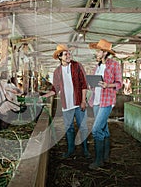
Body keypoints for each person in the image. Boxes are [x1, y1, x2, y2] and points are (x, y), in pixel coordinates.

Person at [41, 44, 90, 159]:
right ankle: (70, 150)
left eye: (69, 53)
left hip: (78, 102)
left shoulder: (77, 66)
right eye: (65, 54)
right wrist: (44, 96)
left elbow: (84, 84)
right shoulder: (57, 72)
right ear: (60, 57)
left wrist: (83, 100)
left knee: (83, 127)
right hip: (66, 104)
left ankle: (85, 150)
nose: (68, 56)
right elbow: (55, 89)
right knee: (69, 128)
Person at [88, 39, 123, 169]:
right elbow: (94, 84)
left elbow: (119, 83)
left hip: (107, 101)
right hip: (96, 100)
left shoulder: (114, 65)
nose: (96, 53)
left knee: (96, 130)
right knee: (103, 128)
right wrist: (91, 83)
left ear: (104, 53)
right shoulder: (96, 67)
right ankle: (106, 156)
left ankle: (99, 161)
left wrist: (108, 85)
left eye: (98, 50)